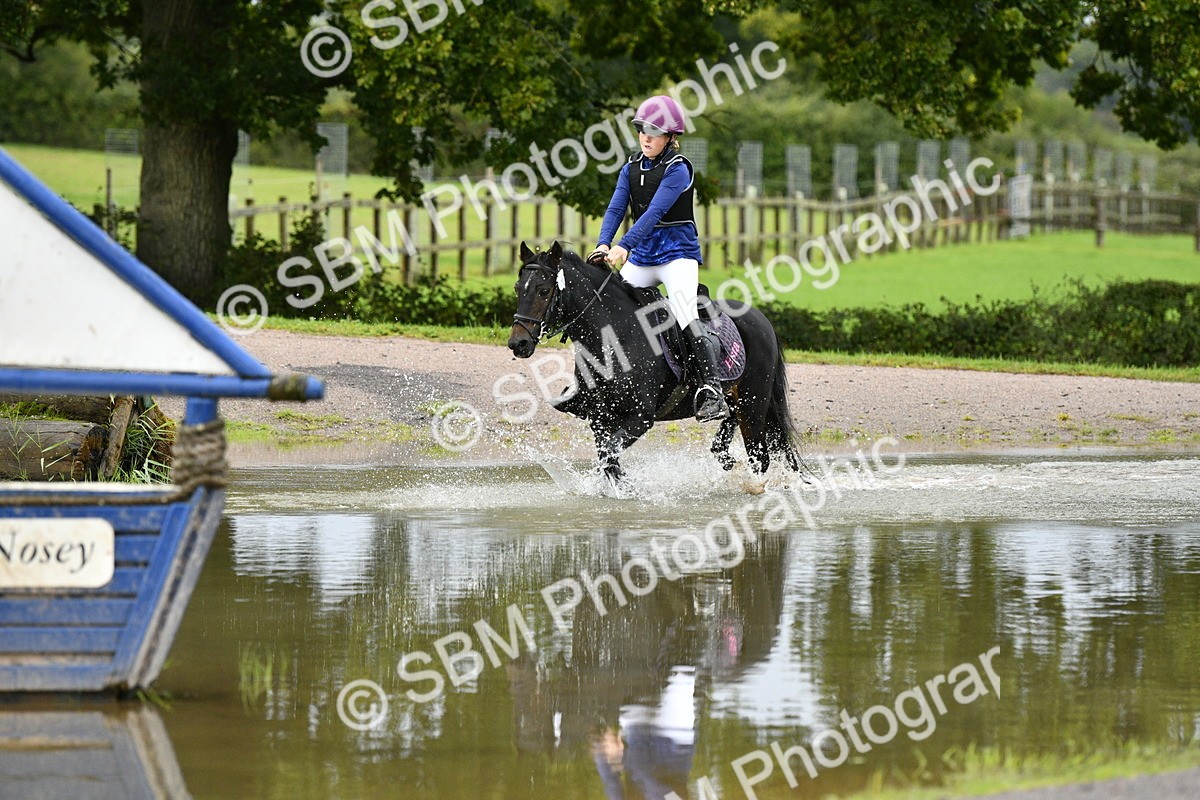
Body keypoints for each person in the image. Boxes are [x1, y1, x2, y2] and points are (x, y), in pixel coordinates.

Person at [587, 95, 729, 422]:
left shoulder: (679, 169)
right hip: (645, 257)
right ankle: (596, 379)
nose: (646, 137)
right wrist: (603, 243)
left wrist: (623, 245)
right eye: (642, 130)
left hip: (677, 256)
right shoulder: (630, 167)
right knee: (609, 305)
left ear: (671, 137)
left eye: (654, 131)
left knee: (683, 313)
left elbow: (653, 213)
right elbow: (614, 209)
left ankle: (711, 391)